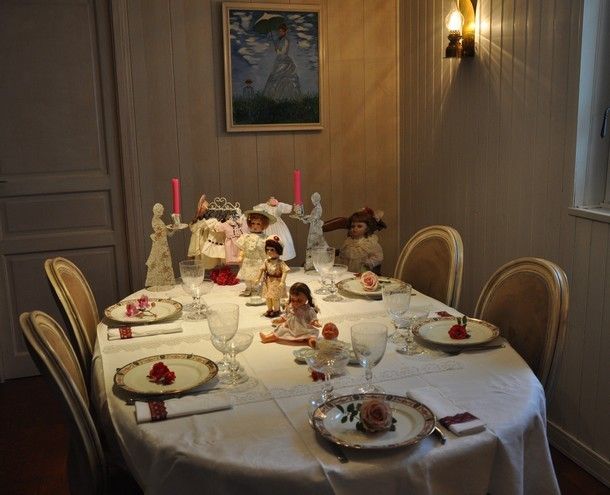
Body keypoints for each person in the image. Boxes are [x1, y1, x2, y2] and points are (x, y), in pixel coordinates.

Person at [235, 211, 275, 296]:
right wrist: (240, 256)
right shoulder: (246, 236)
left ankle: (255, 288)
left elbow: (268, 251)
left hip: (259, 261)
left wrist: (270, 260)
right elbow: (242, 248)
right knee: (247, 276)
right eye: (253, 223)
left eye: (258, 224)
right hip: (247, 261)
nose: (255, 226)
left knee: (257, 276)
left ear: (264, 225)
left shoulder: (265, 238)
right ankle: (248, 287)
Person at [337, 208, 385, 274]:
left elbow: (378, 257)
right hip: (348, 272)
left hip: (363, 273)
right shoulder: (348, 242)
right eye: (353, 226)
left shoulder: (370, 242)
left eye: (359, 226)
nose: (355, 228)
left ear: (367, 228)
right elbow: (342, 256)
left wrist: (368, 262)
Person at [263, 23, 301, 101]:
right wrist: (277, 49)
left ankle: (285, 97)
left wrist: (278, 51)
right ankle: (274, 97)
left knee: (284, 77)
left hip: (284, 60)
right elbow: (279, 50)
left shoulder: (286, 40)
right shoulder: (278, 40)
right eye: (279, 31)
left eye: (281, 31)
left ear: (285, 32)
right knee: (274, 76)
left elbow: (283, 51)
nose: (279, 33)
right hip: (279, 59)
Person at [257, 235, 290, 318]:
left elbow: (285, 271)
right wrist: (258, 278)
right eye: (267, 249)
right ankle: (269, 309)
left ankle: (276, 310)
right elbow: (262, 269)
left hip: (276, 282)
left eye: (272, 250)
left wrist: (282, 281)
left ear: (278, 250)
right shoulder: (266, 261)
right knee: (268, 297)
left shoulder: (280, 262)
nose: (269, 251)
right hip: (267, 282)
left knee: (275, 298)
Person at [254, 196, 295, 261]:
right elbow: (256, 209)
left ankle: (279, 263)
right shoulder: (264, 206)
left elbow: (289, 208)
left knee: (282, 240)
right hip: (268, 226)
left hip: (279, 226)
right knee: (266, 241)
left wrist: (278, 204)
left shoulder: (280, 205)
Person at [145, 203, 175, 287]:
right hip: (159, 247)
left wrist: (174, 229)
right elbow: (159, 234)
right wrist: (154, 235)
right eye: (161, 211)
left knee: (165, 264)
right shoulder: (155, 220)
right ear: (157, 211)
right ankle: (158, 283)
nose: (162, 213)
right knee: (159, 264)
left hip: (164, 246)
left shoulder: (160, 221)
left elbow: (169, 234)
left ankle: (166, 282)